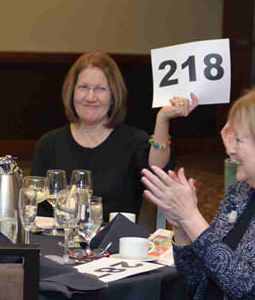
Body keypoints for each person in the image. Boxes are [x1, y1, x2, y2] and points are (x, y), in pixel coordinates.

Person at [31, 51, 196, 218]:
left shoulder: (134, 141)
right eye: (83, 87)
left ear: (113, 96)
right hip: (57, 241)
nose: (90, 97)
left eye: (100, 89)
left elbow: (158, 172)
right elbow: (36, 208)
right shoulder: (49, 143)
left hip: (117, 241)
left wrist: (163, 119)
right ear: (72, 92)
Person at [141, 91, 255, 299]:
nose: (229, 151)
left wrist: (191, 217)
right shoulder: (238, 194)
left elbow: (247, 288)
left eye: (237, 139)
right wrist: (181, 228)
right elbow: (196, 281)